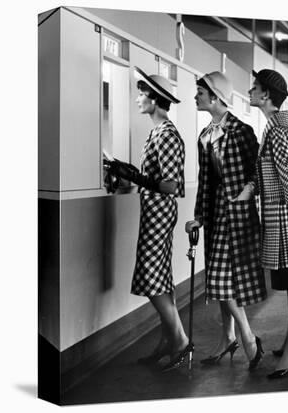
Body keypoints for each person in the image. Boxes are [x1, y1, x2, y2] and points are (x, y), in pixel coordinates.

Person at [104, 67, 192, 372]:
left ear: (155, 100)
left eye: (142, 93)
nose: (138, 98)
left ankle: (180, 341)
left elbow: (170, 184)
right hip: (155, 209)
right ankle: (168, 341)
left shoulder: (167, 135)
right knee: (160, 277)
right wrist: (127, 172)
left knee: (151, 276)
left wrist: (136, 176)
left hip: (159, 210)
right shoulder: (157, 133)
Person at [185, 72, 266, 371]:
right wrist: (198, 217)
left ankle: (246, 337)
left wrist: (247, 194)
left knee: (223, 281)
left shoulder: (242, 132)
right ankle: (228, 337)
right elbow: (205, 181)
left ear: (216, 97)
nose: (196, 97)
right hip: (218, 215)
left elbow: (258, 174)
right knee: (221, 281)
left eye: (200, 92)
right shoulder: (204, 136)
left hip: (240, 216)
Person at [248, 69, 288, 379]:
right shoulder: (275, 128)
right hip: (280, 215)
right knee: (287, 282)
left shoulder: (278, 132)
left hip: (285, 217)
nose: (250, 91)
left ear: (267, 95)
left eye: (255, 87)